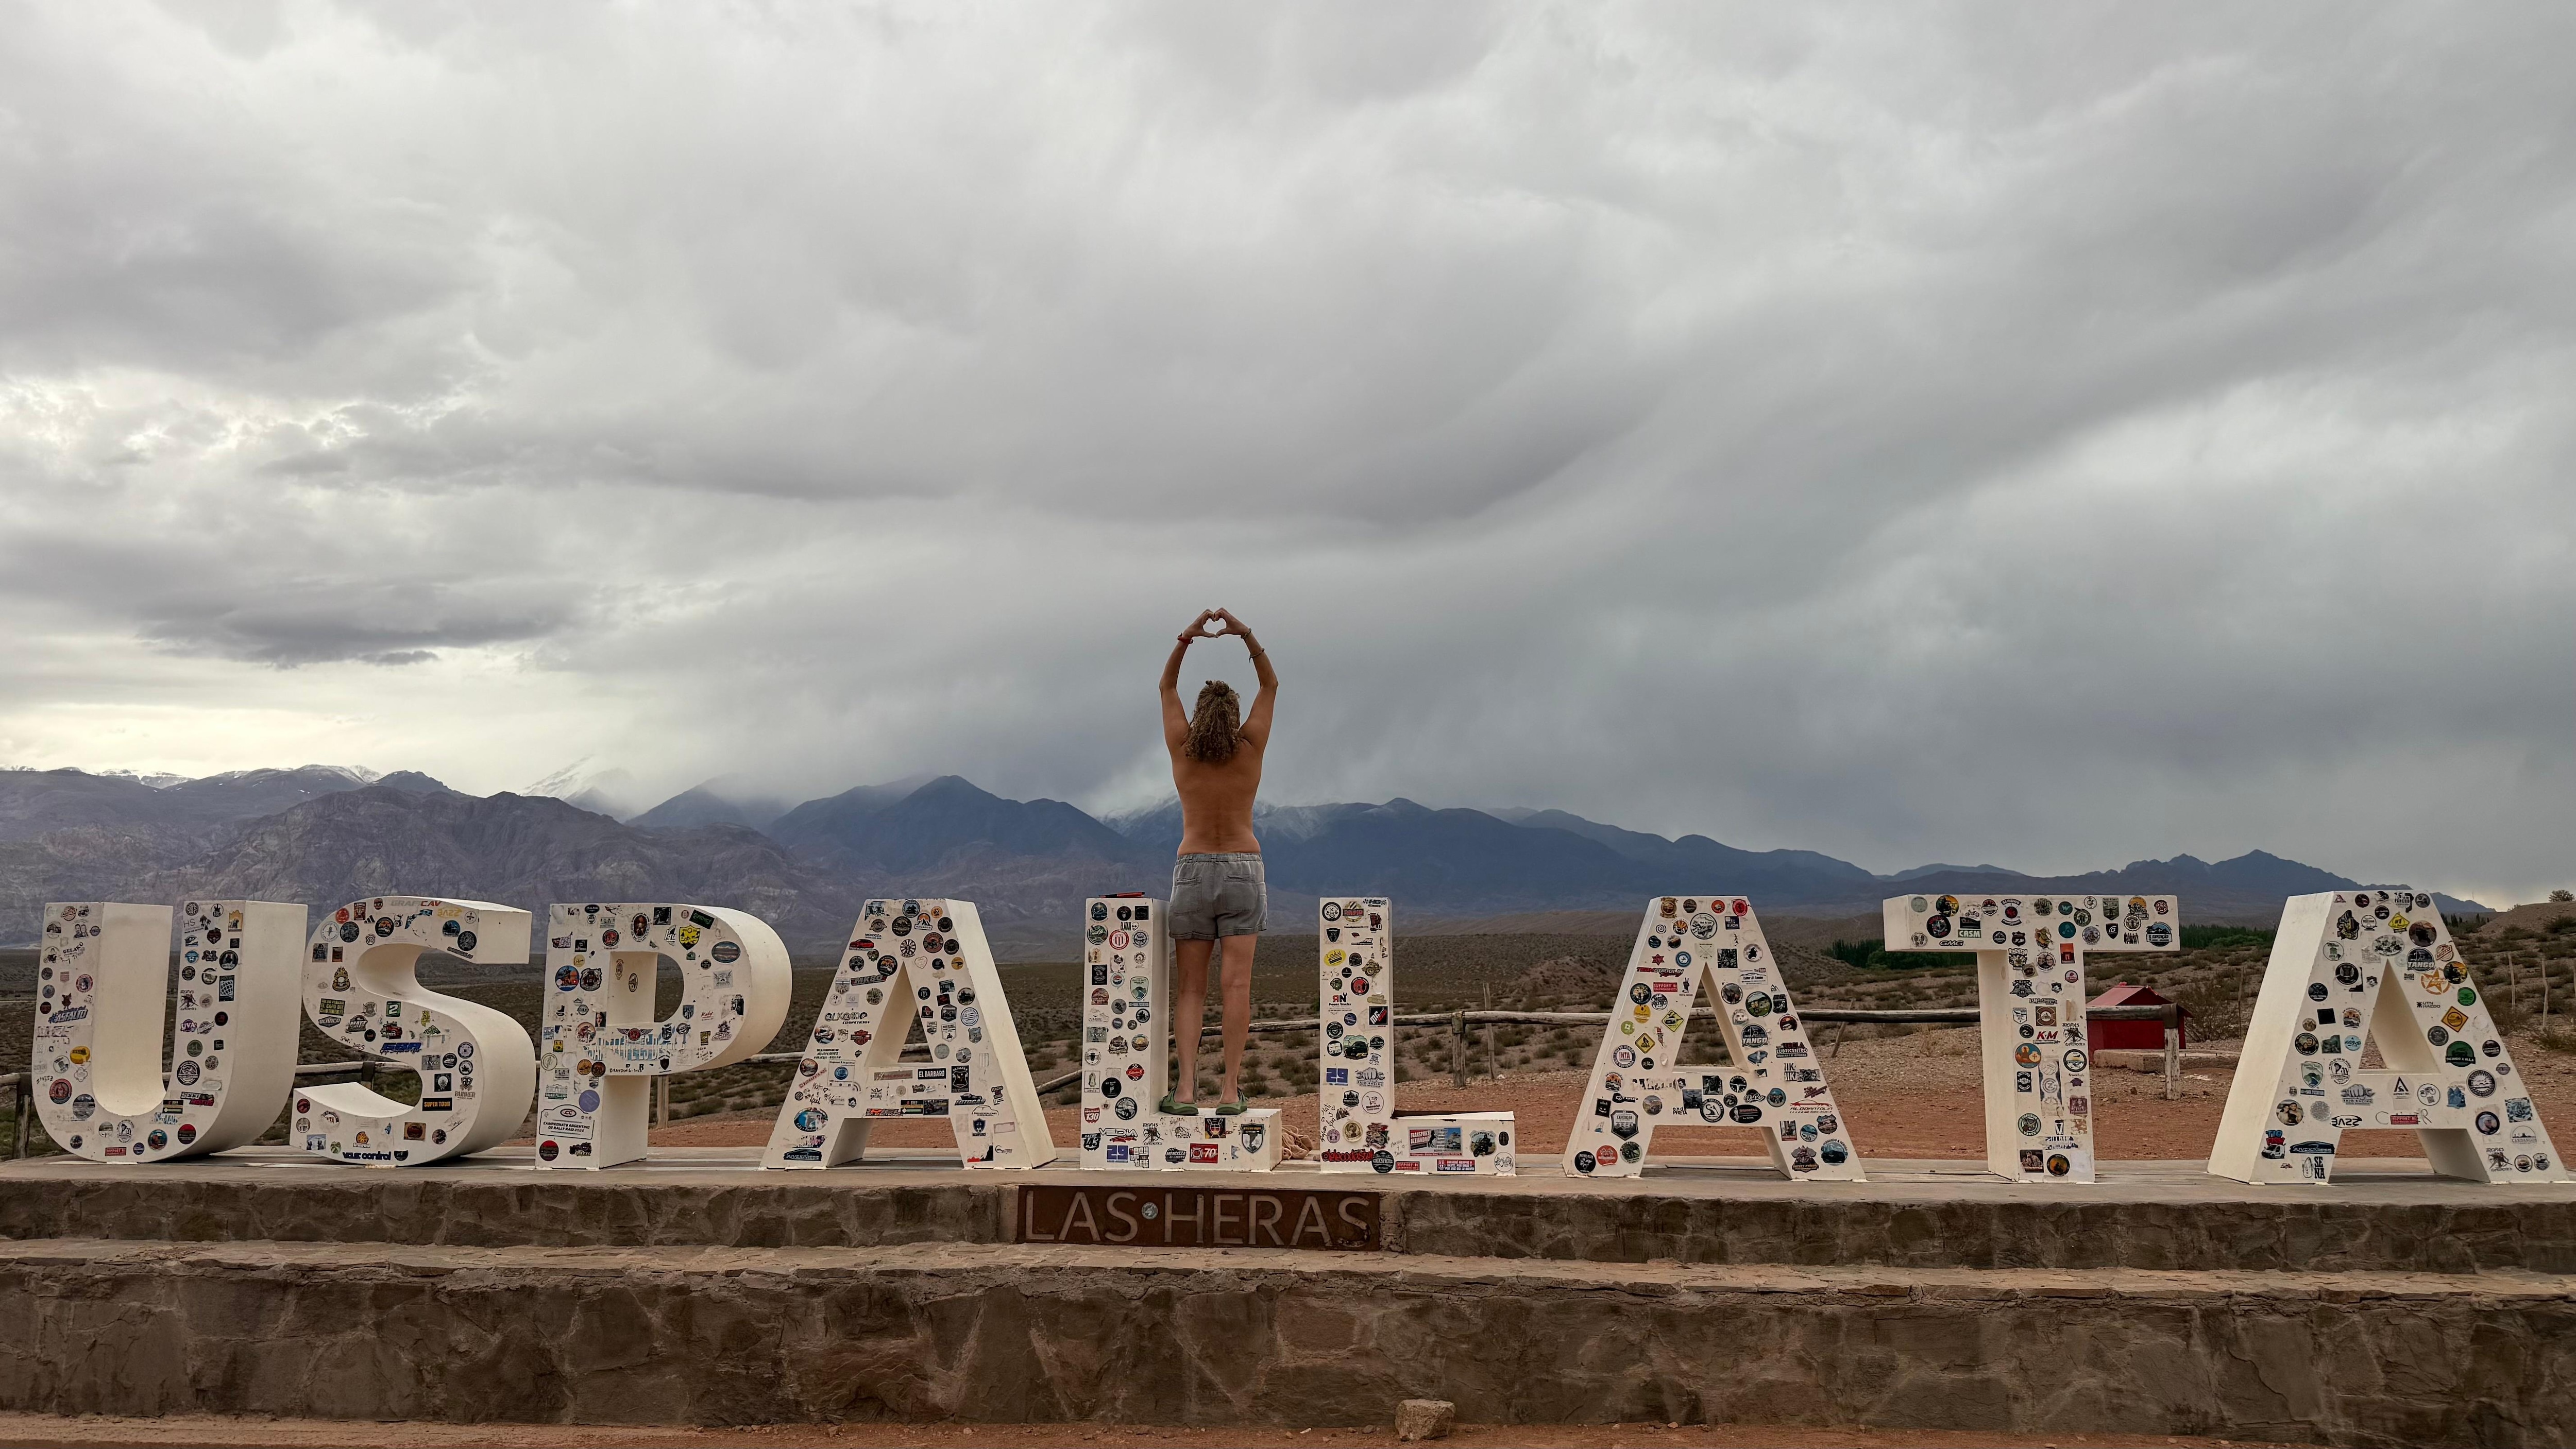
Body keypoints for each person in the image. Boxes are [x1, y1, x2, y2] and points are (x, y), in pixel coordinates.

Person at [1157, 607, 1276, 1115]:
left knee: (1190, 989)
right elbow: (1270, 685)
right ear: (1233, 714)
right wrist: (1243, 632)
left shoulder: (1183, 750)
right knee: (1236, 985)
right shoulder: (1250, 748)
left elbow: (1166, 687)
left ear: (1201, 713)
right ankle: (1229, 1090)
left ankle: (1185, 1090)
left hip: (1192, 867)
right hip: (1242, 868)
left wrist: (1187, 638)